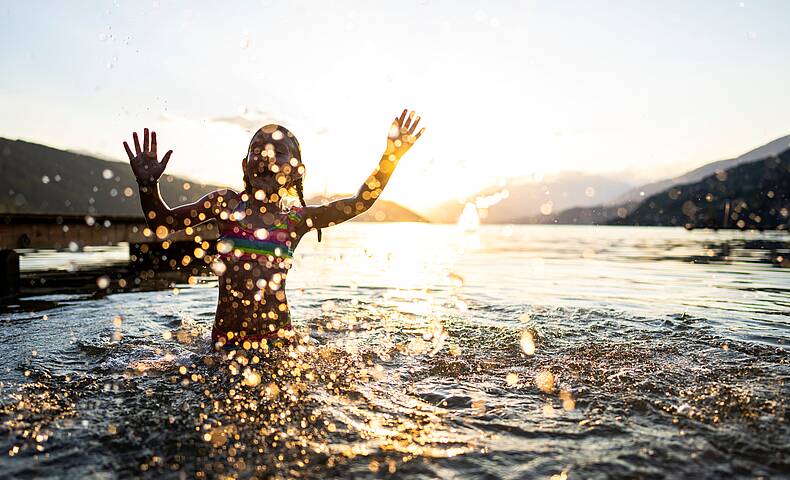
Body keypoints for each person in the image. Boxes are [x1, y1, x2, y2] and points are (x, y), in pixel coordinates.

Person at [123, 109, 424, 351]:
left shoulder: (295, 220)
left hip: (278, 345)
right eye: (258, 149)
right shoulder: (225, 205)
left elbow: (359, 203)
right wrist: (147, 185)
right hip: (225, 345)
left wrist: (391, 157)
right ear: (245, 165)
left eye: (279, 152)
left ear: (296, 171)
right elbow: (162, 224)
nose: (267, 156)